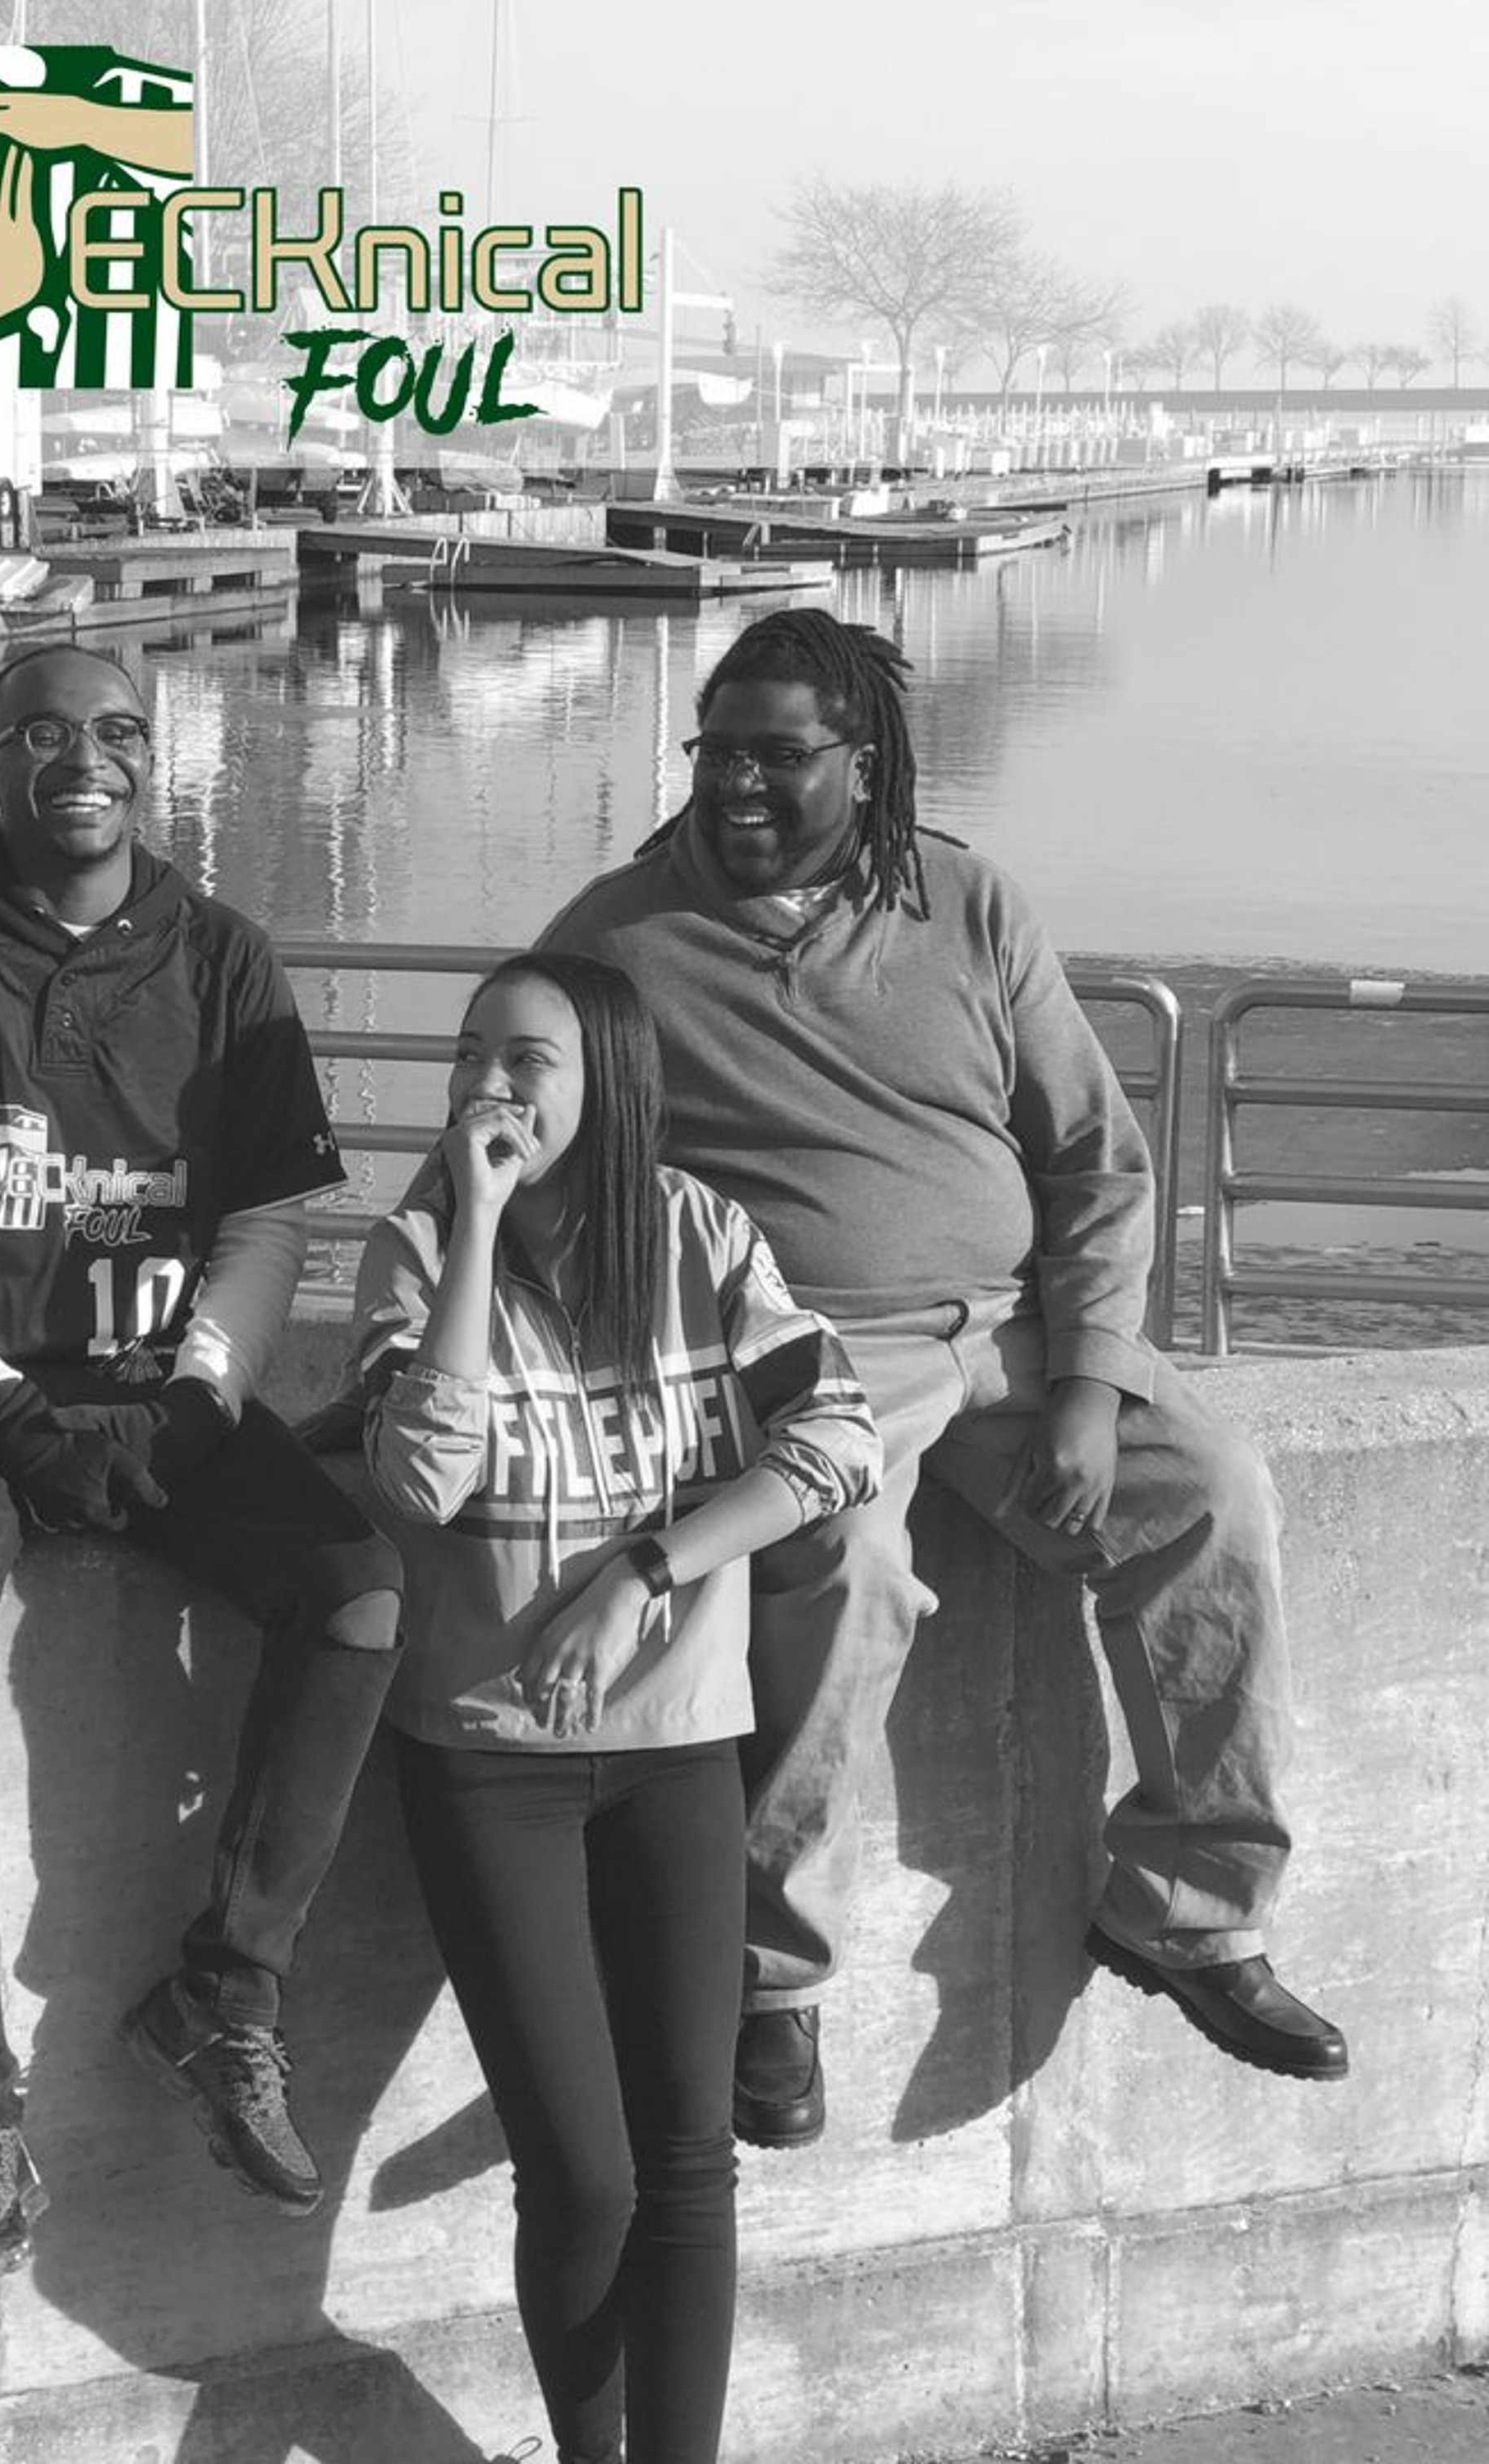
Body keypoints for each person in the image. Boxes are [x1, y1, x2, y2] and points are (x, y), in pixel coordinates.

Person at [540, 607, 1349, 2150]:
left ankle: (1192, 1913)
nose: (737, 784)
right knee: (842, 1569)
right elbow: (528, 1144)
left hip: (1016, 1331)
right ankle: (770, 1982)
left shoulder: (967, 903)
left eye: (779, 756)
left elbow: (1095, 1161)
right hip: (812, 1356)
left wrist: (1093, 1384)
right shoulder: (618, 936)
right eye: (716, 752)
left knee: (1218, 1497)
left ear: (866, 763)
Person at [0, 642, 402, 2296]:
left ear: (156, 759)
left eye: (121, 732)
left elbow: (265, 1216)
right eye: (45, 734)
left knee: (355, 1594)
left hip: (152, 1386)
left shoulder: (222, 953)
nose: (87, 760)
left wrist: (201, 1400)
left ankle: (226, 1991)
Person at [356, 951, 879, 2464]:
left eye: (528, 1061)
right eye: (470, 1055)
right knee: (584, 2178)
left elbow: (841, 1433)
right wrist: (476, 1229)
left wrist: (653, 1567)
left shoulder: (704, 1237)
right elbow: (419, 1482)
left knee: (688, 2161)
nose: (489, 1086)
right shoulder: (416, 1248)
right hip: (487, 1760)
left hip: (676, 1752)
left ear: (611, 1084)